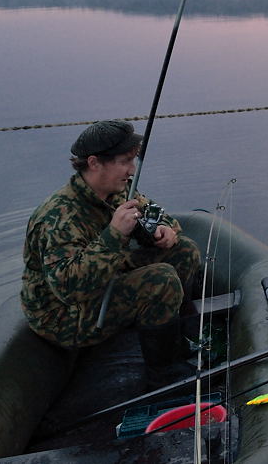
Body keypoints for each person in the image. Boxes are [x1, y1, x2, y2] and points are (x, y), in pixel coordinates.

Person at [20, 120, 201, 385]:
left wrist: (165, 230)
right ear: (94, 163)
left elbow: (159, 214)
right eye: (125, 161)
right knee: (160, 279)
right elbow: (68, 289)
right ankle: (163, 372)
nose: (132, 169)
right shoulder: (59, 216)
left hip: (103, 280)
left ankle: (173, 334)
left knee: (185, 250)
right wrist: (114, 234)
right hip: (61, 316)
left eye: (133, 160)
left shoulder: (118, 191)